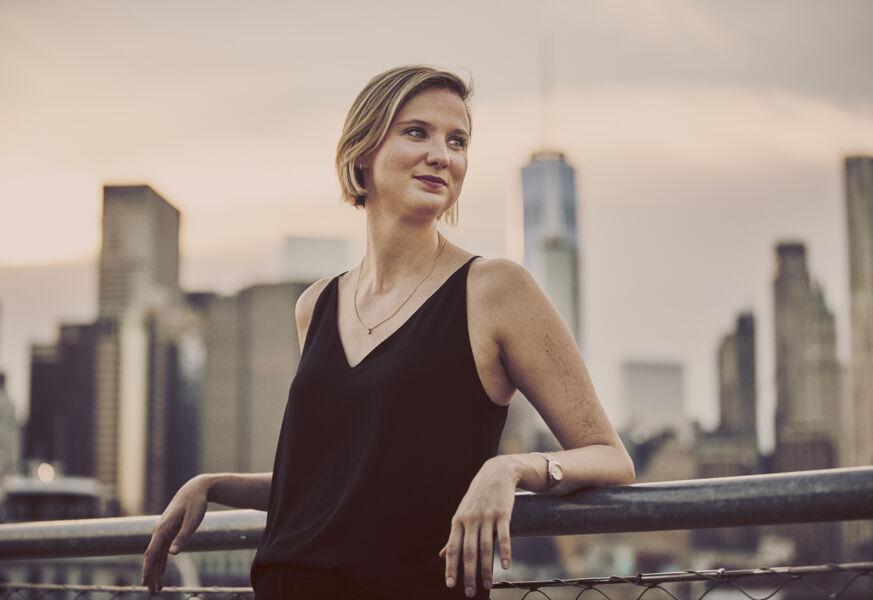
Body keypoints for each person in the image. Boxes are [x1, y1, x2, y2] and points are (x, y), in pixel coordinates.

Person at [141, 64, 635, 599]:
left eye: (458, 141)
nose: (442, 155)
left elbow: (610, 456)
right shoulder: (317, 305)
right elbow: (344, 481)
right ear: (362, 152)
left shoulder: (495, 289)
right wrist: (213, 486)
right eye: (417, 132)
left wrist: (511, 468)